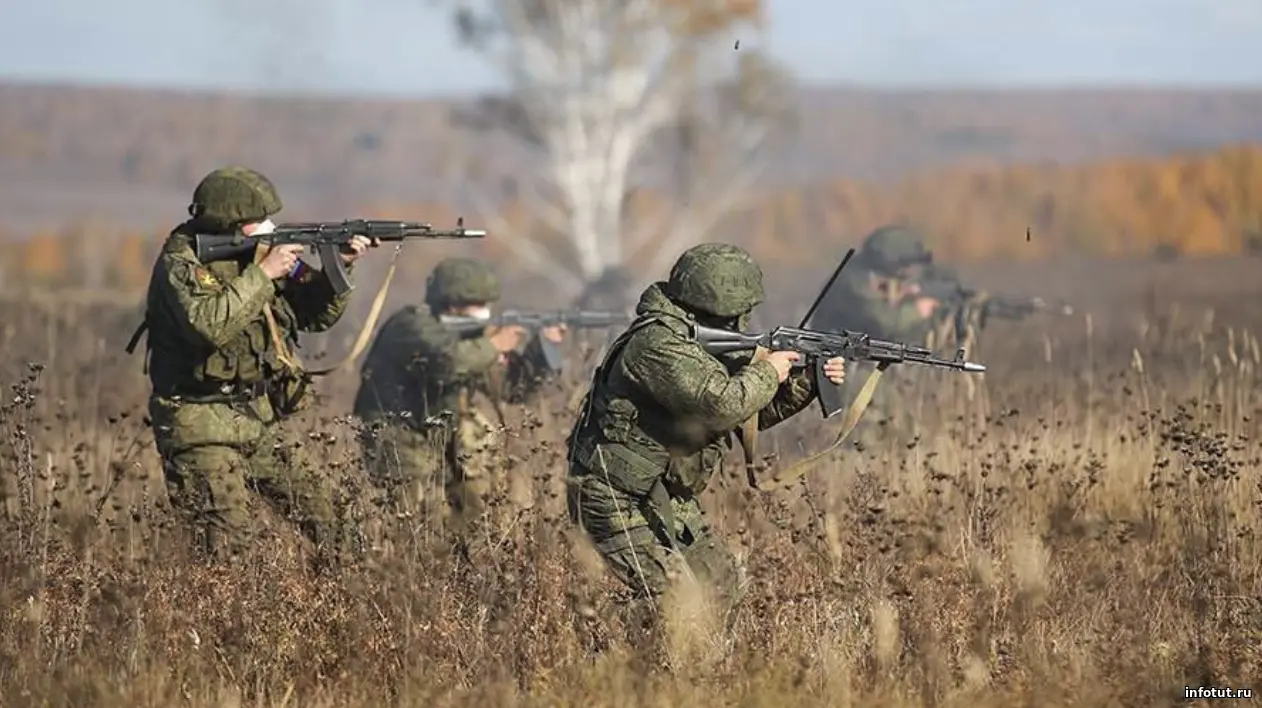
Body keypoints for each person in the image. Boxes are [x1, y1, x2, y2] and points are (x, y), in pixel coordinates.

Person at [565, 243, 846, 620]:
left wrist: (808, 381)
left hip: (660, 493)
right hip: (612, 496)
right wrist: (767, 371)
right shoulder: (658, 344)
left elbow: (748, 416)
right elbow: (721, 406)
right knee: (669, 602)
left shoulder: (700, 341)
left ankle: (699, 671)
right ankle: (596, 647)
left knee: (722, 587)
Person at [132, 166, 373, 563]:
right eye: (256, 222)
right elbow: (209, 325)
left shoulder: (258, 256)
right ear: (228, 222)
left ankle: (338, 617)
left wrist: (340, 264)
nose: (269, 227)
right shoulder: (182, 263)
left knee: (339, 526)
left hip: (257, 419)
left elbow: (313, 316)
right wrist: (263, 272)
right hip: (199, 424)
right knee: (227, 555)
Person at [352, 257, 567, 528]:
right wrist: (493, 345)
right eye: (476, 305)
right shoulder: (411, 325)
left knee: (475, 518)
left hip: (444, 437)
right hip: (398, 435)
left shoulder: (474, 335)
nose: (484, 312)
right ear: (451, 303)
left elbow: (512, 389)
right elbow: (447, 362)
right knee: (417, 525)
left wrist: (541, 350)